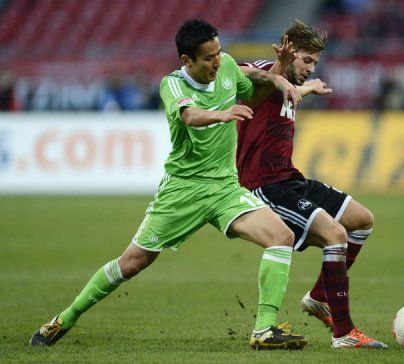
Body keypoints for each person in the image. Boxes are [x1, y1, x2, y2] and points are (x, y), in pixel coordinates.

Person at [30, 19, 308, 350]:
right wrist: (220, 114)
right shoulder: (172, 84)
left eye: (218, 53)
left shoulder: (229, 66)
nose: (217, 62)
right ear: (186, 61)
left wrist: (280, 68)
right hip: (182, 190)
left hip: (224, 188)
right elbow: (189, 116)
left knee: (281, 237)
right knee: (131, 263)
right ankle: (62, 320)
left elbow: (254, 97)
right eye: (208, 58)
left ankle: (264, 329)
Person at [237, 20, 388, 349]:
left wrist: (307, 88)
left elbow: (290, 90)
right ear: (288, 52)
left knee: (361, 221)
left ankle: (320, 298)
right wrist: (276, 73)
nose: (309, 67)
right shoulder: (263, 71)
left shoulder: (291, 86)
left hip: (291, 178)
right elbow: (239, 71)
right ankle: (344, 333)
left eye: (314, 62)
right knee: (336, 235)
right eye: (305, 60)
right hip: (265, 185)